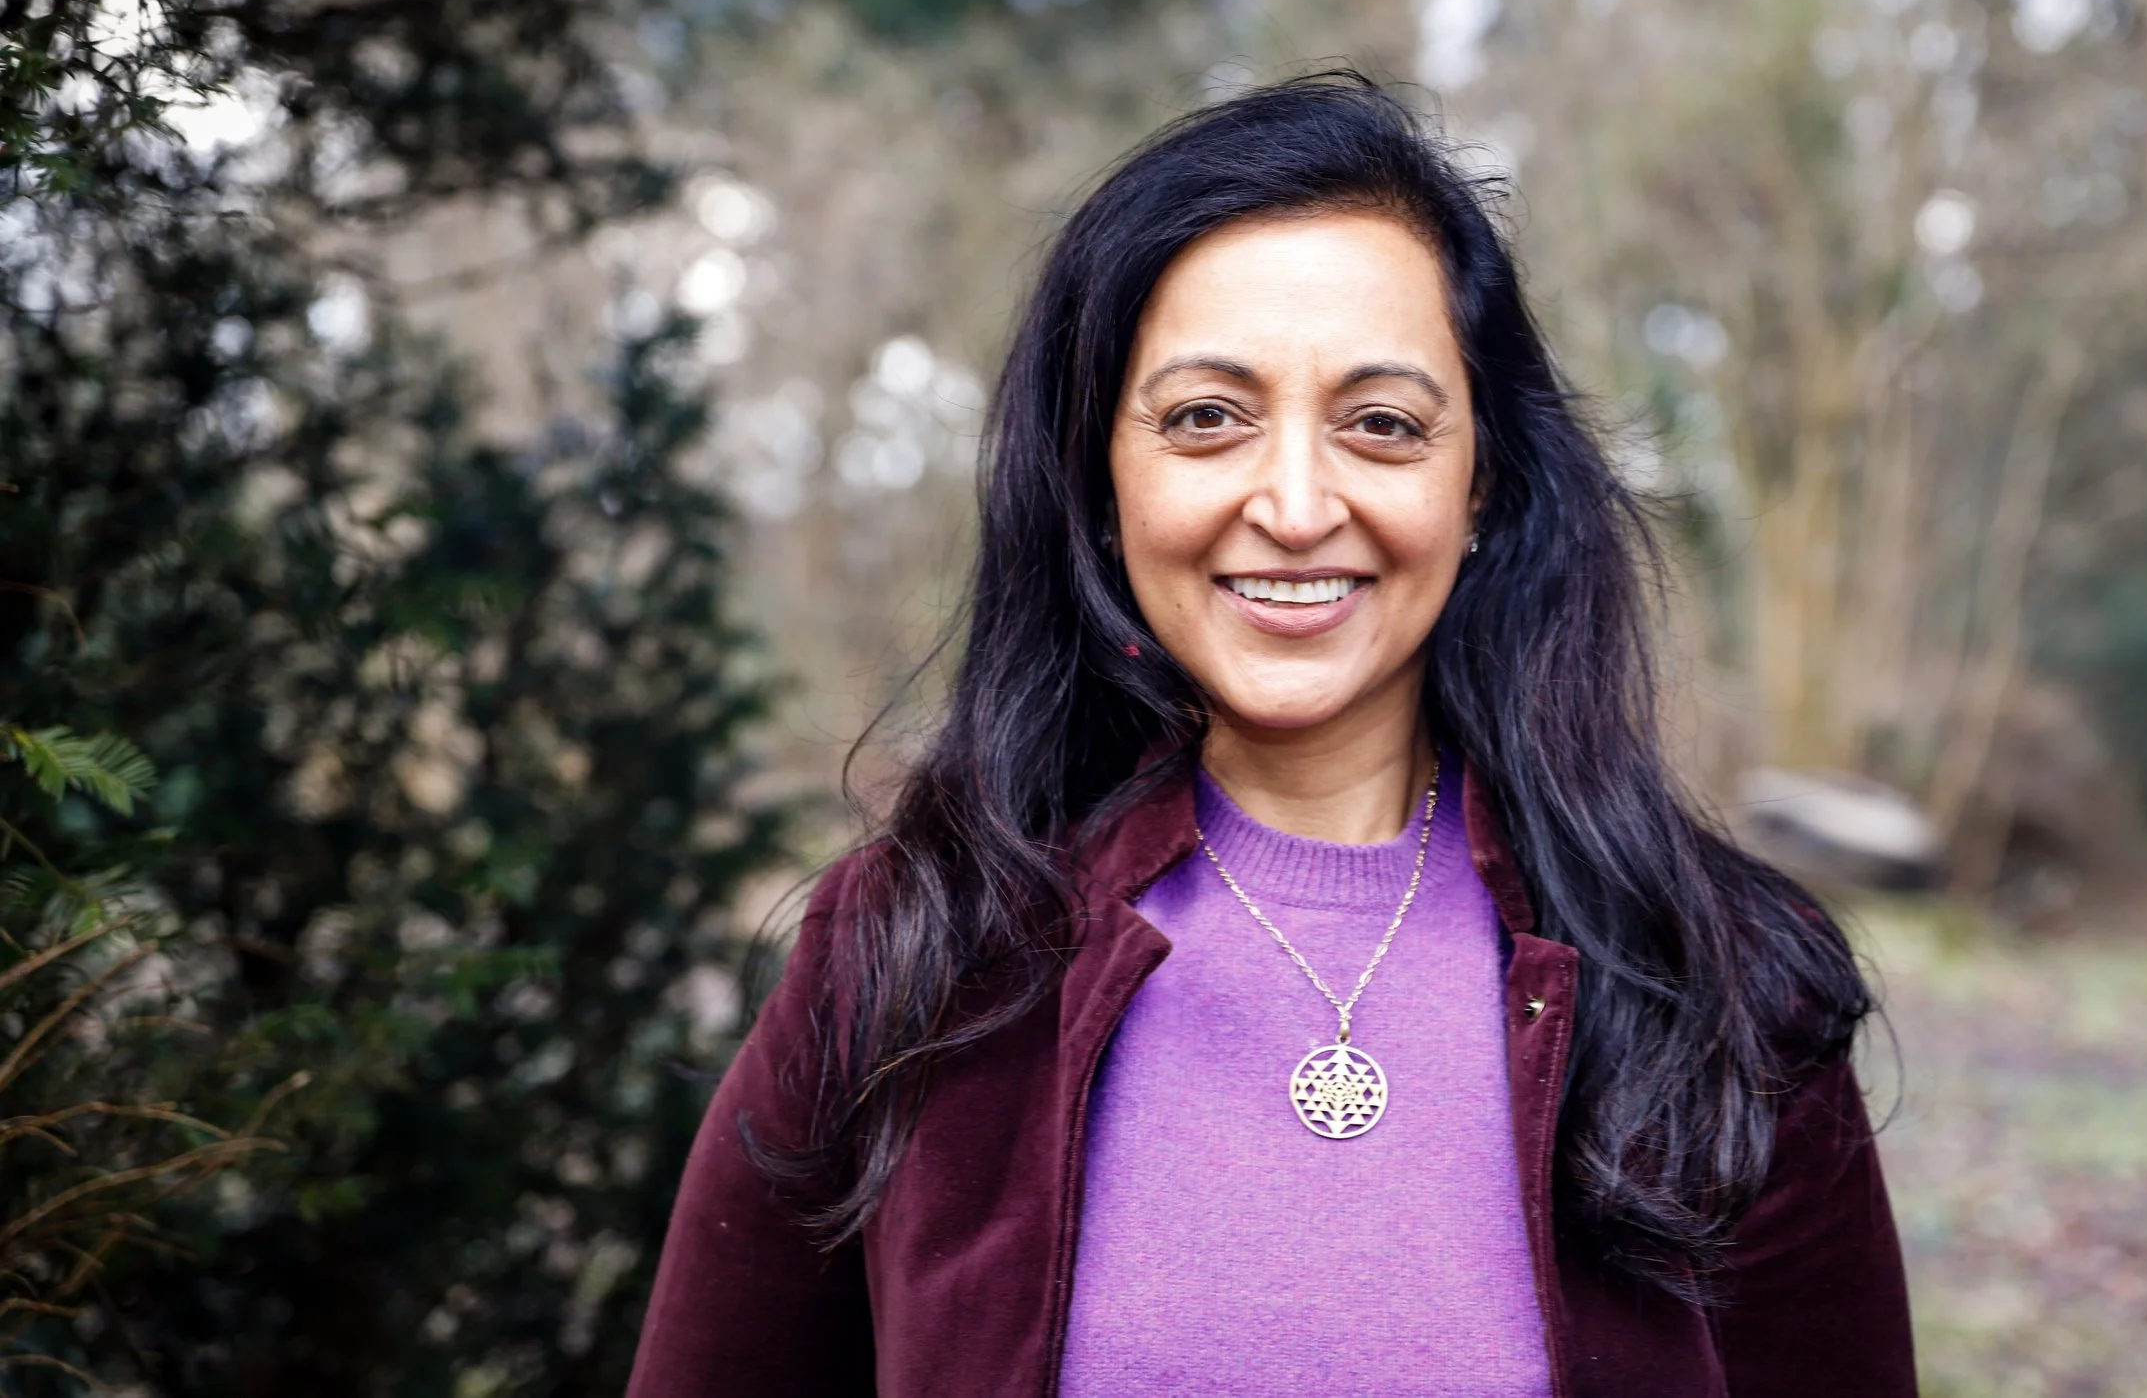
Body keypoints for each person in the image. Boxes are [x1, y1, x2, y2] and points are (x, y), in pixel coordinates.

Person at [626, 75, 1915, 1398]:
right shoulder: (910, 955)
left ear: (1481, 481)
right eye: (1205, 417)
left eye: (1382, 423)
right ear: (1100, 480)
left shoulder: (1726, 987)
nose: (1296, 505)